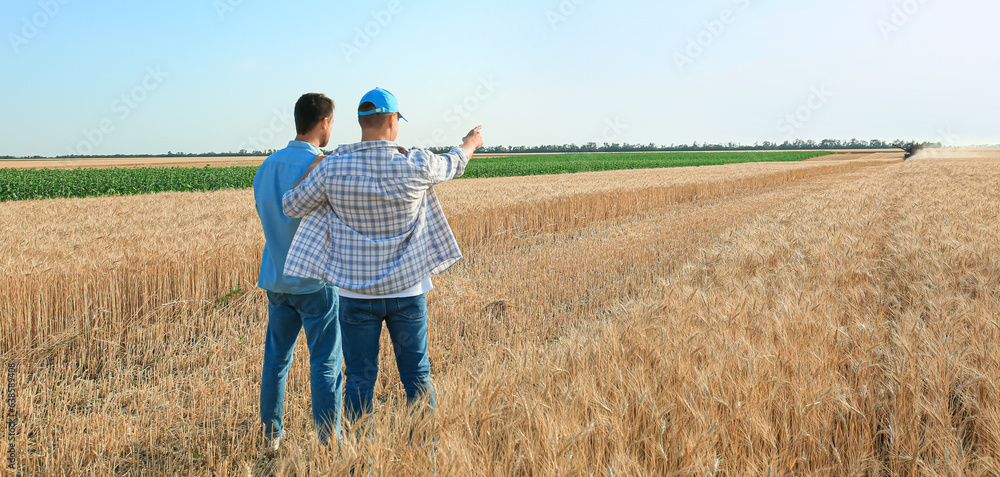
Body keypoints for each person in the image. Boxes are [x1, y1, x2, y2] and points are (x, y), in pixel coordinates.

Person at [281, 87, 484, 424]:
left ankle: (360, 463)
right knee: (417, 376)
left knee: (359, 379)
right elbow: (454, 163)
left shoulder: (333, 167)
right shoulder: (415, 163)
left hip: (356, 296)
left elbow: (292, 205)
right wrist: (471, 142)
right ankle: (426, 454)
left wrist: (318, 164)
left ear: (361, 121)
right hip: (407, 293)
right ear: (393, 120)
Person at [252, 93, 343, 451]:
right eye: (332, 122)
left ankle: (271, 436)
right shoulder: (323, 166)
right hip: (314, 280)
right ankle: (327, 442)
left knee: (276, 359)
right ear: (324, 123)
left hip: (276, 277)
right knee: (325, 362)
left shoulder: (266, 168)